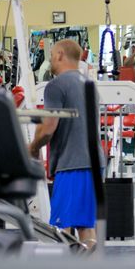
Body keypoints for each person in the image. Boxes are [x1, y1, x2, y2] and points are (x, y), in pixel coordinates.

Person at [29, 40, 103, 250]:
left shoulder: (56, 85)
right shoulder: (88, 84)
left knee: (61, 231)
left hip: (73, 165)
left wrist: (32, 148)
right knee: (86, 228)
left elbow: (49, 127)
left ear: (60, 54)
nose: (50, 59)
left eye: (52, 54)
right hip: (94, 163)